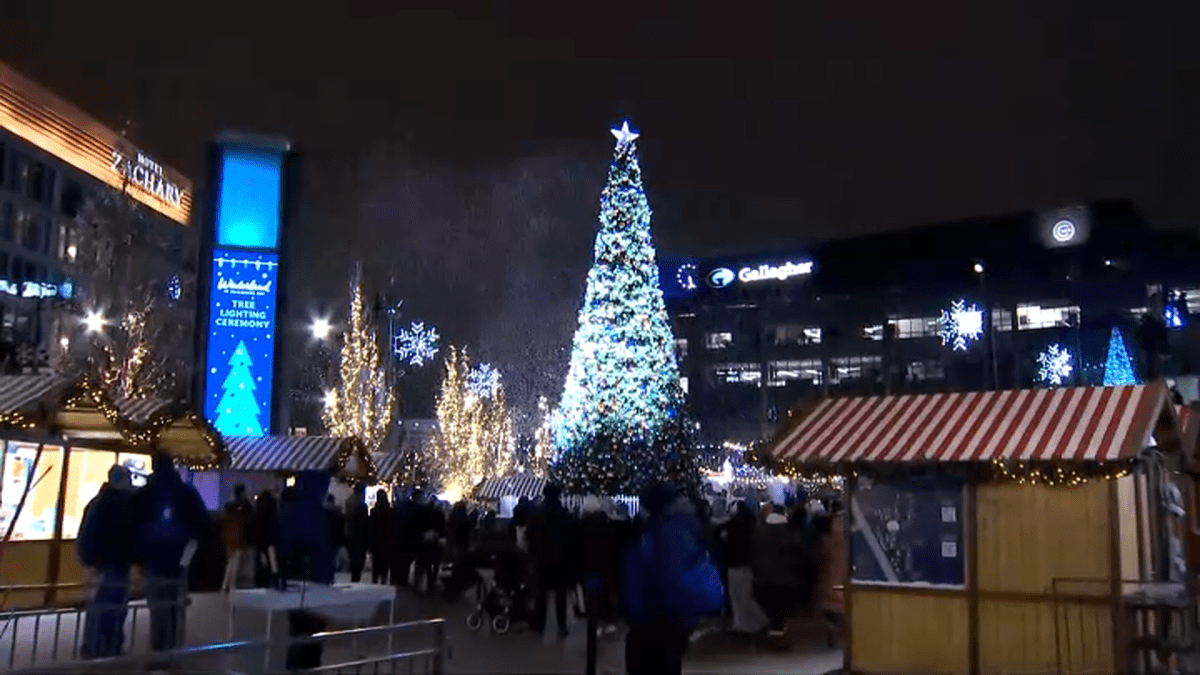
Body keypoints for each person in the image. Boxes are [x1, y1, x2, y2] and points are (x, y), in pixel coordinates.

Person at [621, 483, 714, 675]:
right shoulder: (684, 531)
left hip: (650, 619)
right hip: (675, 619)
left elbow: (634, 577)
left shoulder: (645, 533)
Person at [133, 454, 210, 652]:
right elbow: (203, 525)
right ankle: (175, 651)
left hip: (153, 563)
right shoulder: (186, 492)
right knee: (177, 609)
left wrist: (140, 554)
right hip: (180, 562)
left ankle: (159, 654)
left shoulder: (145, 494)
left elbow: (134, 525)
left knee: (158, 612)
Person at [77, 465, 136, 659]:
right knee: (112, 609)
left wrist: (88, 560)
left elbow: (87, 534)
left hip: (99, 564)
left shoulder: (97, 503)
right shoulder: (118, 505)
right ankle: (106, 649)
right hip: (113, 564)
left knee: (99, 608)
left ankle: (94, 648)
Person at [528, 483, 574, 640]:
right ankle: (562, 625)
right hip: (560, 561)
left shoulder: (536, 513)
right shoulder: (564, 514)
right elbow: (570, 539)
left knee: (541, 595)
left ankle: (540, 625)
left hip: (541, 560)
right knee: (561, 596)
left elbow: (530, 536)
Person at [221, 484, 254, 593]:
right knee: (236, 563)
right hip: (240, 537)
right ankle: (232, 587)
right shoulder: (245, 506)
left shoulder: (229, 506)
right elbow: (250, 518)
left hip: (229, 536)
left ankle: (225, 585)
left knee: (231, 562)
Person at [252, 490, 280, 588]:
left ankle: (263, 580)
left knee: (263, 561)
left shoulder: (260, 511)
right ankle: (274, 578)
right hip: (271, 539)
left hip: (262, 540)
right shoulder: (273, 510)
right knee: (272, 561)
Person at [344, 486, 369, 583]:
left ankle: (353, 574)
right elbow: (364, 522)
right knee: (358, 559)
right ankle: (356, 578)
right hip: (359, 535)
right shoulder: (362, 505)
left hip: (349, 533)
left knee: (352, 556)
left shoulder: (348, 502)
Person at [369, 490, 395, 584]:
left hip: (376, 543)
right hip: (387, 543)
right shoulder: (390, 512)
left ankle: (374, 584)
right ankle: (383, 584)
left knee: (376, 566)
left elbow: (371, 528)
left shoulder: (374, 512)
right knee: (385, 566)